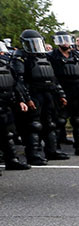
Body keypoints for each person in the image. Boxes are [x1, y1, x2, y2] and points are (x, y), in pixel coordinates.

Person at [12, 29, 69, 164]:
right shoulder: (20, 57)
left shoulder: (44, 57)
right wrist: (27, 99)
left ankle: (52, 151)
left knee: (50, 124)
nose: (35, 46)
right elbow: (19, 81)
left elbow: (53, 78)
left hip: (48, 94)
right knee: (34, 125)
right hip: (34, 94)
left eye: (37, 43)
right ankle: (33, 154)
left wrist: (61, 94)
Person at [48, 30, 79, 156]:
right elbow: (51, 77)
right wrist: (59, 93)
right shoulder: (51, 56)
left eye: (66, 39)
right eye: (61, 40)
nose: (64, 42)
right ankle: (55, 148)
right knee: (59, 121)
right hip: (62, 92)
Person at [0, 40, 32, 172]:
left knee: (7, 134)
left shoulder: (6, 65)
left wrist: (21, 100)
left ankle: (12, 160)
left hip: (6, 104)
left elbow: (15, 84)